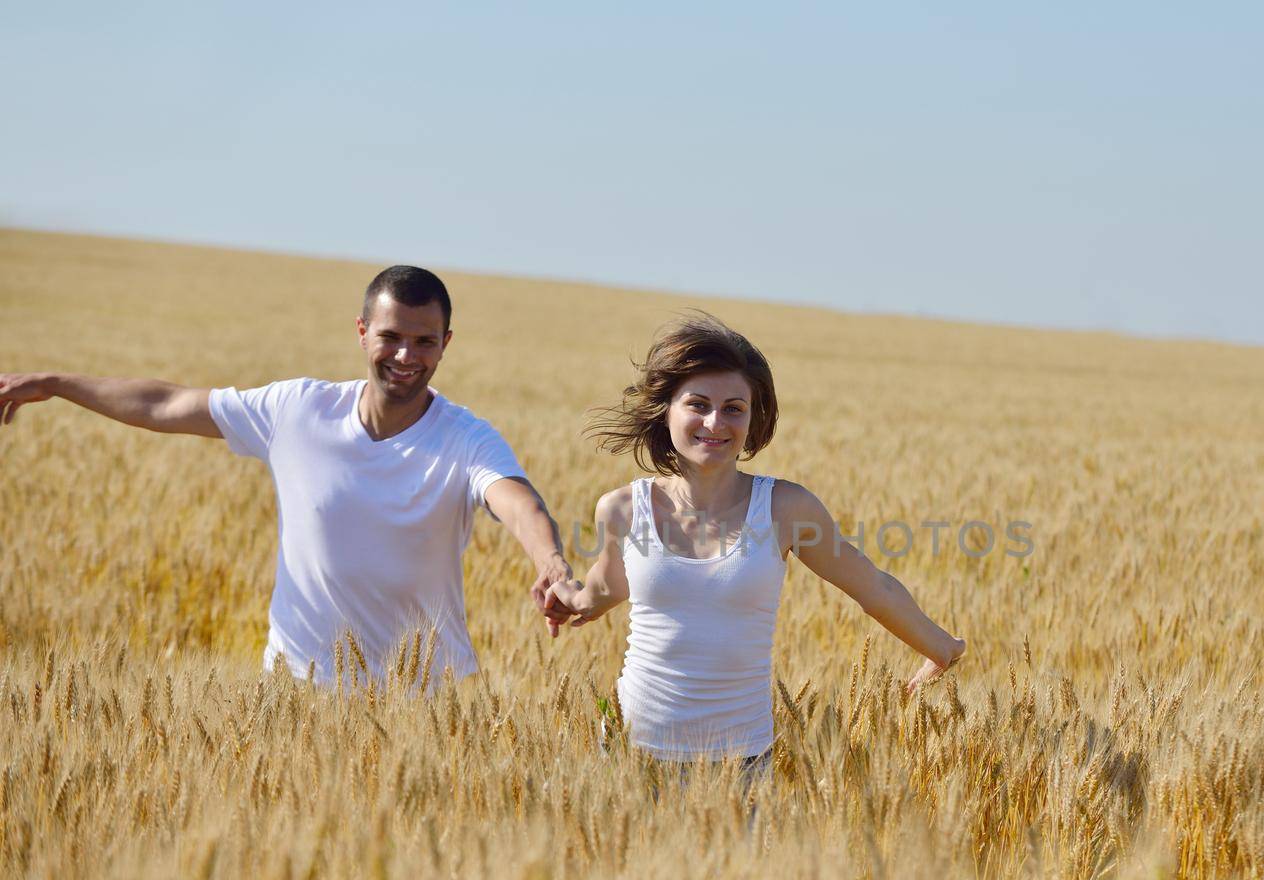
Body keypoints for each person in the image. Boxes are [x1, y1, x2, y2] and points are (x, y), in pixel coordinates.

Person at [0, 266, 572, 686]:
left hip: (423, 705)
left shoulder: (466, 438)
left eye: (424, 342)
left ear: (445, 345)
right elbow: (166, 405)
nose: (405, 355)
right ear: (362, 332)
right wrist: (57, 383)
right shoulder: (297, 410)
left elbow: (517, 502)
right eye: (390, 337)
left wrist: (550, 562)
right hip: (294, 699)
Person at [542, 313, 965, 765]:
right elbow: (608, 587)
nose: (715, 422)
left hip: (741, 761)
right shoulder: (622, 509)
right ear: (666, 409)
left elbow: (872, 586)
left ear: (752, 418)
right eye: (698, 404)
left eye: (733, 408)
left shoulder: (785, 509)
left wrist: (942, 648)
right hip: (632, 752)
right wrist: (572, 598)